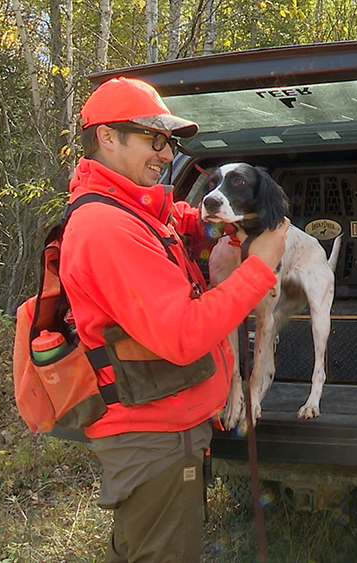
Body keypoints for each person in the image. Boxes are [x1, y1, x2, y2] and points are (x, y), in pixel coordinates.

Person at [60, 76, 289, 562]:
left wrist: (210, 220)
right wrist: (260, 266)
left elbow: (172, 219)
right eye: (154, 140)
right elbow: (184, 335)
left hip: (164, 427)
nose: (166, 154)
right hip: (155, 438)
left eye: (169, 143)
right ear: (107, 136)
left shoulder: (129, 209)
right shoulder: (107, 228)